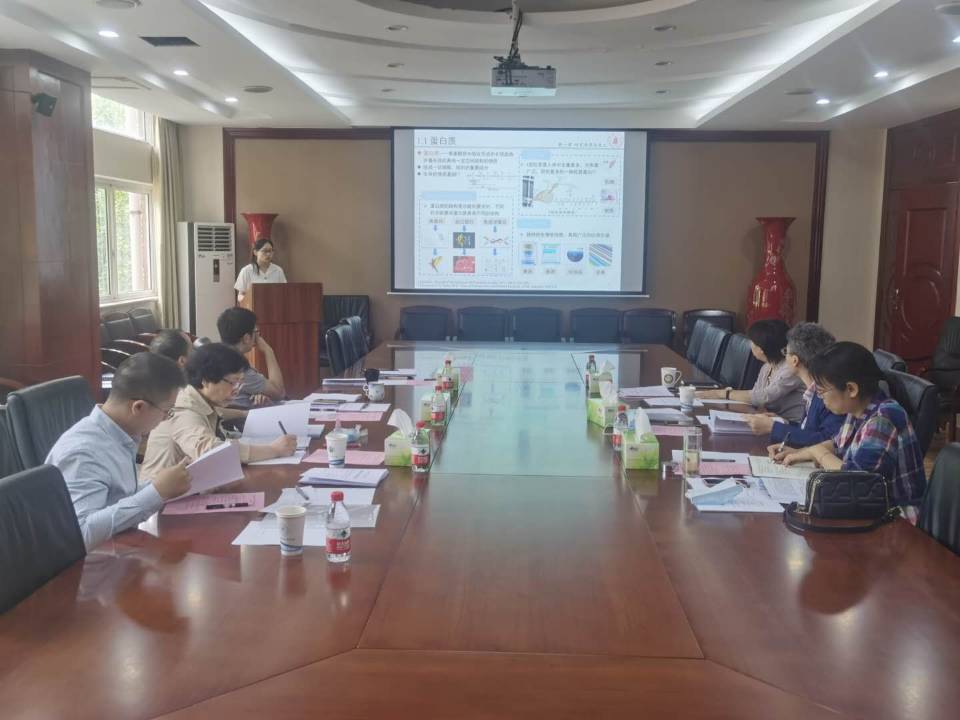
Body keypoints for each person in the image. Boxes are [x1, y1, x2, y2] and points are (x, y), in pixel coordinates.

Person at [46, 353, 192, 551]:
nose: (166, 419)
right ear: (138, 407)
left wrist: (165, 486)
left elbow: (116, 497)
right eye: (167, 411)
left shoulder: (120, 434)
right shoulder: (84, 452)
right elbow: (82, 534)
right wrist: (157, 492)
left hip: (118, 551)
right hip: (88, 565)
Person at [775, 341, 926, 509]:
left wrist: (817, 452)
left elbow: (855, 481)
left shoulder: (883, 420)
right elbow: (837, 444)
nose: (820, 397)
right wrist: (801, 453)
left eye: (822, 391)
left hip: (896, 516)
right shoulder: (858, 408)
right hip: (867, 507)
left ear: (851, 389)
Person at [141, 343, 297, 476]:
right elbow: (210, 451)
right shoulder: (183, 409)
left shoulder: (198, 399)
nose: (237, 390)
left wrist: (249, 414)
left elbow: (218, 413)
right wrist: (273, 450)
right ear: (206, 381)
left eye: (240, 383)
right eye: (233, 383)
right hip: (161, 499)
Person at [745, 322, 844, 445]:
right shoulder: (812, 391)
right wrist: (782, 422)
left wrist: (773, 427)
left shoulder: (829, 394)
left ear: (795, 360)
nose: (784, 356)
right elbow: (807, 431)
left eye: (786, 351)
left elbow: (826, 440)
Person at [698, 318, 806, 422]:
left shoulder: (791, 368)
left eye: (753, 342)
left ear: (762, 349)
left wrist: (722, 394)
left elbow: (763, 397)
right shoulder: (767, 367)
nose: (750, 345)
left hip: (791, 426)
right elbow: (755, 397)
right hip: (770, 420)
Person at [217, 306, 285, 407]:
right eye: (256, 332)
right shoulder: (236, 367)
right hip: (242, 416)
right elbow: (279, 393)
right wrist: (268, 351)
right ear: (246, 338)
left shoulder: (219, 357)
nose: (258, 336)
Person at [234, 238, 286, 304]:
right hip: (253, 307)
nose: (268, 254)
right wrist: (249, 301)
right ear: (255, 252)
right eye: (265, 251)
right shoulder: (246, 271)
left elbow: (284, 292)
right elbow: (240, 295)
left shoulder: (278, 270)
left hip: (274, 306)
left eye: (270, 251)